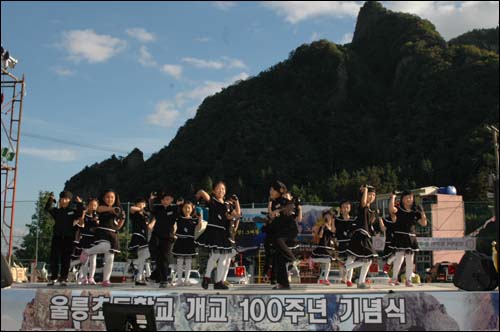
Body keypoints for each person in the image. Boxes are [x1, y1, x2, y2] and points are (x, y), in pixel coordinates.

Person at [195, 181, 239, 290]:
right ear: (214, 191)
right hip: (214, 230)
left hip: (223, 233)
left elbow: (237, 214)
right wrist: (200, 192)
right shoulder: (213, 201)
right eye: (218, 188)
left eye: (223, 189)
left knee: (223, 257)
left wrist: (236, 202)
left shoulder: (227, 204)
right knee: (215, 256)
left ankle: (218, 281)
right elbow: (204, 194)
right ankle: (207, 278)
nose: (221, 191)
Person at [80, 189, 125, 287]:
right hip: (103, 231)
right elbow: (99, 209)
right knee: (105, 246)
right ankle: (87, 251)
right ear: (103, 198)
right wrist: (112, 209)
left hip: (113, 233)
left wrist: (120, 223)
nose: (110, 199)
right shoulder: (101, 207)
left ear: (115, 198)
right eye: (107, 197)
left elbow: (121, 220)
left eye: (112, 197)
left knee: (110, 258)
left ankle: (106, 280)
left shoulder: (119, 208)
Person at [389, 190, 427, 287]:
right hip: (400, 236)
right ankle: (394, 278)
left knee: (410, 260)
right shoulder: (399, 209)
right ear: (402, 199)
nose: (408, 199)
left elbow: (423, 223)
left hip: (411, 237)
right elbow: (391, 210)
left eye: (410, 197)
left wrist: (422, 213)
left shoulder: (415, 211)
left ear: (413, 199)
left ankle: (408, 280)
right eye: (406, 197)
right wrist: (393, 197)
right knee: (399, 258)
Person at [45, 191, 84, 286]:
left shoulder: (72, 211)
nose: (64, 201)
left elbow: (80, 214)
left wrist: (79, 203)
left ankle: (63, 278)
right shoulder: (57, 211)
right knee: (54, 258)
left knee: (65, 259)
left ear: (70, 200)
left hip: (68, 238)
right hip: (57, 237)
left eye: (66, 199)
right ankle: (53, 277)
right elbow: (48, 209)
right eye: (62, 199)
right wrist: (51, 199)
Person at [344, 185, 379, 289]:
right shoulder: (362, 206)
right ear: (364, 195)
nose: (372, 196)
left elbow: (370, 223)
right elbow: (363, 203)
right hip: (361, 235)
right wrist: (365, 190)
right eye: (370, 194)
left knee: (368, 260)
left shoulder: (370, 210)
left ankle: (360, 281)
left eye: (373, 195)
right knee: (368, 258)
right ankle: (348, 269)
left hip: (366, 235)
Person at [148, 192, 183, 288]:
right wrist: (151, 200)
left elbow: (180, 213)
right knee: (154, 251)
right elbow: (151, 209)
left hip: (168, 237)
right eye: (165, 199)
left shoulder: (174, 209)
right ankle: (156, 274)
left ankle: (163, 279)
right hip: (156, 234)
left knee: (165, 257)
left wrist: (180, 205)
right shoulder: (158, 209)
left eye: (169, 199)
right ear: (162, 201)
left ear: (172, 200)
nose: (167, 201)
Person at [268, 180, 298, 290]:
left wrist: (279, 211)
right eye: (270, 189)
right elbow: (276, 218)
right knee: (278, 258)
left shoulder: (284, 200)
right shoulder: (274, 202)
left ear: (279, 191)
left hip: (290, 230)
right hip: (281, 231)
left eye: (273, 189)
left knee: (277, 240)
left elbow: (291, 208)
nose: (270, 191)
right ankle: (284, 284)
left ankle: (293, 259)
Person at [172, 201, 201, 286]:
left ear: (192, 209)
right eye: (185, 207)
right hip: (180, 240)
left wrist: (200, 218)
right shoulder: (178, 218)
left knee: (188, 262)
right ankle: (179, 280)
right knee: (179, 261)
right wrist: (173, 234)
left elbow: (199, 228)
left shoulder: (194, 219)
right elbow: (174, 226)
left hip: (189, 241)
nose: (187, 209)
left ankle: (187, 280)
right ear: (182, 208)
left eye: (189, 208)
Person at [128, 197, 155, 286]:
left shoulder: (146, 215)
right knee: (146, 254)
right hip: (137, 235)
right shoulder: (135, 213)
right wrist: (141, 209)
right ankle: (135, 264)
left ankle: (139, 278)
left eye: (143, 204)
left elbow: (149, 227)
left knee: (143, 258)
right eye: (139, 204)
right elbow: (131, 208)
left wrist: (154, 219)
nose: (141, 205)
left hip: (144, 237)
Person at [77, 197, 99, 285]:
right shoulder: (85, 214)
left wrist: (97, 221)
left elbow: (99, 226)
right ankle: (84, 278)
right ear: (88, 205)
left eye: (95, 205)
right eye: (91, 205)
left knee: (93, 260)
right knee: (85, 260)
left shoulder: (98, 215)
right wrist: (83, 214)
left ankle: (91, 278)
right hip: (85, 238)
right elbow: (81, 224)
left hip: (94, 239)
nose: (93, 207)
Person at [311, 210, 336, 285]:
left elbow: (333, 232)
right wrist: (322, 227)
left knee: (328, 262)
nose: (327, 218)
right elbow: (320, 236)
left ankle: (325, 279)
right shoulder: (322, 226)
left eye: (329, 216)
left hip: (329, 246)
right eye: (326, 216)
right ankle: (312, 260)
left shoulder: (332, 226)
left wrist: (330, 226)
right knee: (328, 260)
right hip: (322, 245)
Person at [335, 200, 356, 284]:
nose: (345, 209)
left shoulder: (353, 219)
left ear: (350, 208)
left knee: (351, 260)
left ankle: (349, 279)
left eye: (347, 207)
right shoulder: (337, 219)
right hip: (341, 242)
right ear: (340, 209)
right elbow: (334, 230)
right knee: (341, 261)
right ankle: (343, 277)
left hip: (351, 242)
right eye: (343, 207)